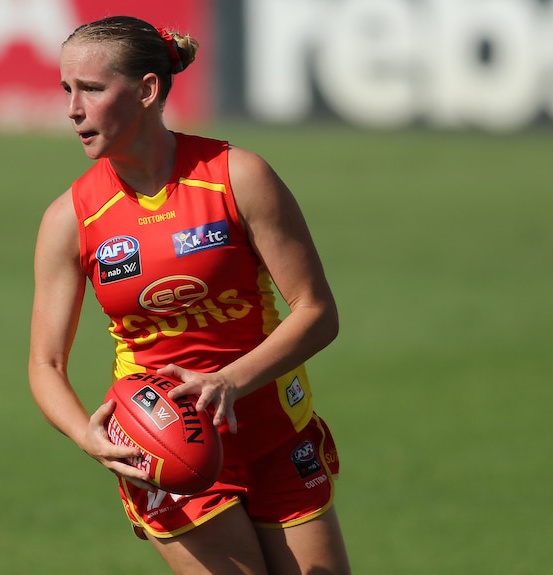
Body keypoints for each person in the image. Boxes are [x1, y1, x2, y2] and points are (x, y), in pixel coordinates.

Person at [28, 15, 352, 575]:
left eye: (93, 89)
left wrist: (229, 381)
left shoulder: (238, 177)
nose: (72, 109)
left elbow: (318, 314)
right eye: (66, 90)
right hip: (164, 448)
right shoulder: (70, 219)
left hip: (276, 434)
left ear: (148, 90)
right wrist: (88, 435)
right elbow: (45, 363)